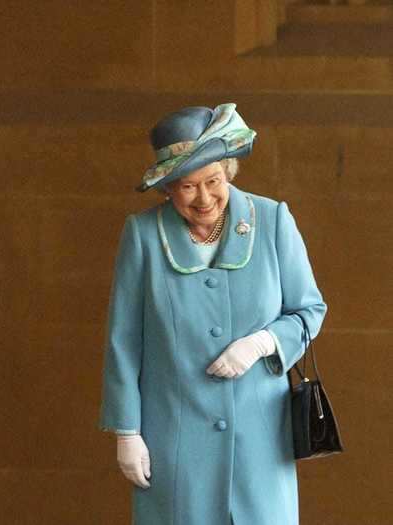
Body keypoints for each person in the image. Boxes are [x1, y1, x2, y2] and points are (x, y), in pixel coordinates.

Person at [99, 103, 326, 525]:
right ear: (168, 189)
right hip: (174, 440)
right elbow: (124, 340)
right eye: (187, 187)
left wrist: (261, 343)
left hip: (261, 441)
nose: (204, 198)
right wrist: (126, 431)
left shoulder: (273, 220)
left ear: (228, 172)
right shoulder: (144, 236)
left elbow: (309, 310)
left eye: (213, 181)